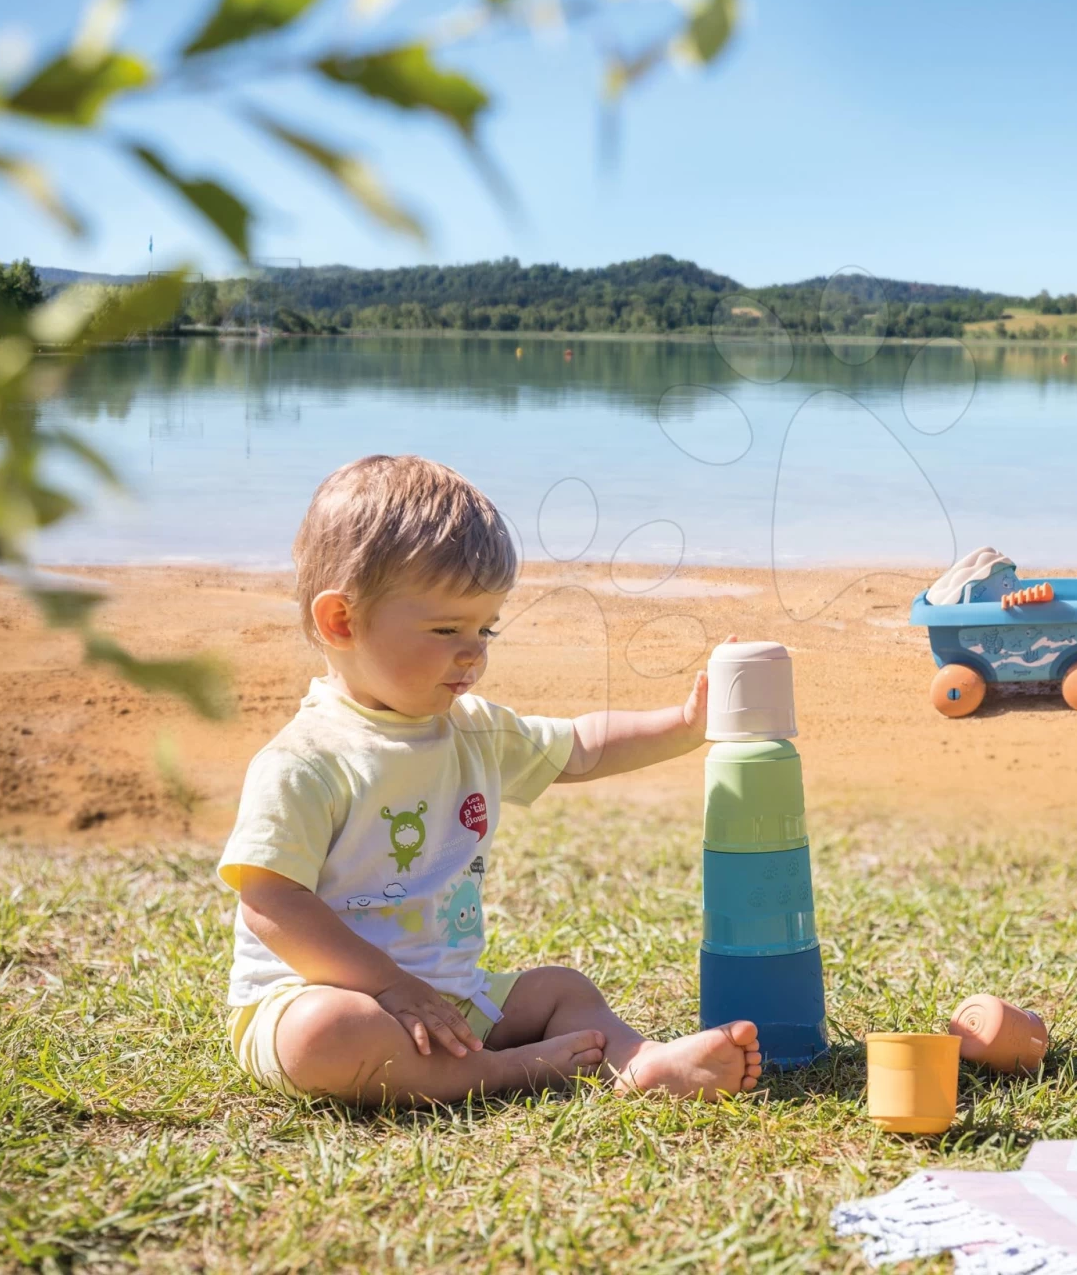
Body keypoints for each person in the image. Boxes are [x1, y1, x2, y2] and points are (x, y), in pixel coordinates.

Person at [219, 455, 762, 1105]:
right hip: (320, 1000)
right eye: (446, 628)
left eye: (485, 627)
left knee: (563, 990)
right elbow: (270, 903)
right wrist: (389, 987)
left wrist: (685, 723)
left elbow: (581, 747)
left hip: (454, 1001)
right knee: (328, 1033)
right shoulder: (306, 760)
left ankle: (639, 1064)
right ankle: (516, 1071)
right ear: (342, 621)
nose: (474, 651)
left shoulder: (473, 730)